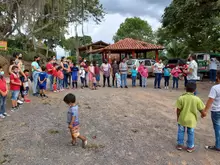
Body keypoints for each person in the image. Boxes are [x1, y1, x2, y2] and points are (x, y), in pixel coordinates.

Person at [176, 82, 205, 153]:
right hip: (191, 120)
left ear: (185, 89)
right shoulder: (197, 99)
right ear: (195, 90)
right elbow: (202, 110)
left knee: (181, 131)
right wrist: (203, 114)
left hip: (182, 119)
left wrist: (178, 117)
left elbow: (178, 110)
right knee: (191, 132)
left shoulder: (181, 98)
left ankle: (180, 145)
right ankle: (190, 147)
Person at [203, 71, 220, 152]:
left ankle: (218, 146)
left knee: (217, 128)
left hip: (216, 110)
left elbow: (210, 100)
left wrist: (205, 111)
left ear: (218, 78)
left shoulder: (215, 88)